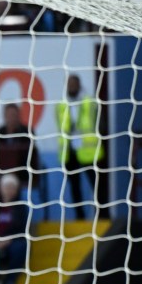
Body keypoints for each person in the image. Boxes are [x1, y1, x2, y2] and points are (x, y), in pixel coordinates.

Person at [55, 74, 105, 220]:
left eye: (74, 84)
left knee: (96, 184)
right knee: (74, 186)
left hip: (88, 150)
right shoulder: (61, 105)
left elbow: (101, 124)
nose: (71, 87)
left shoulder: (89, 102)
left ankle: (102, 215)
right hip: (70, 151)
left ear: (79, 85)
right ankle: (80, 217)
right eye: (69, 84)